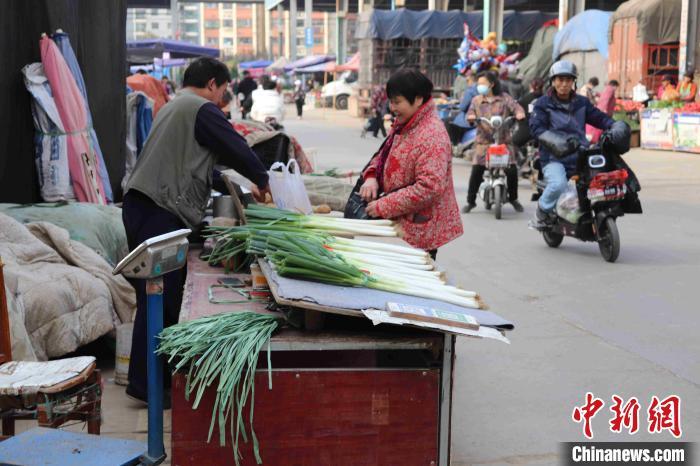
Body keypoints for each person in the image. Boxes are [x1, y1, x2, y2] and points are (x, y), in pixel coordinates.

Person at [122, 57, 270, 404]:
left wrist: (229, 182)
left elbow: (194, 164)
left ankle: (152, 383)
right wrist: (261, 178)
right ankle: (149, 387)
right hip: (157, 211)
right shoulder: (201, 108)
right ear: (214, 84)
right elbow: (235, 147)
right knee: (159, 297)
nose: (223, 97)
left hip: (146, 207)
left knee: (158, 297)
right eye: (224, 90)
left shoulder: (176, 106)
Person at [358, 69, 463, 259]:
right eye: (391, 101)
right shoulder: (405, 123)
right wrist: (371, 176)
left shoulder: (432, 135)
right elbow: (383, 154)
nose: (392, 107)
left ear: (418, 99)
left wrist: (384, 205)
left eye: (397, 102)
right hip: (399, 224)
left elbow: (429, 187)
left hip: (419, 229)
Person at [529, 60, 615, 228]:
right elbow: (536, 129)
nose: (564, 84)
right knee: (558, 184)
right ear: (553, 81)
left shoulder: (582, 103)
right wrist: (557, 143)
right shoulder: (542, 104)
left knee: (604, 180)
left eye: (568, 80)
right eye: (560, 80)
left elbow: (599, 118)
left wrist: (615, 126)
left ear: (573, 82)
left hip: (580, 154)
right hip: (553, 157)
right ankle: (542, 211)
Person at [463, 71, 526, 214]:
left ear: (491, 84)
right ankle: (470, 201)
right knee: (477, 170)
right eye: (478, 84)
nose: (480, 86)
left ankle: (514, 198)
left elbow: (516, 107)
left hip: (503, 142)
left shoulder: (504, 98)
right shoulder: (477, 100)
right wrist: (472, 116)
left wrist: (519, 113)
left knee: (511, 169)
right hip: (484, 142)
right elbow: (470, 113)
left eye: (483, 84)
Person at [448, 73, 478, 145]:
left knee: (447, 121)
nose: (466, 83)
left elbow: (463, 107)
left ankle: (454, 144)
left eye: (467, 81)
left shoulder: (470, 91)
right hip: (479, 119)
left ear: (471, 80)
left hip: (469, 120)